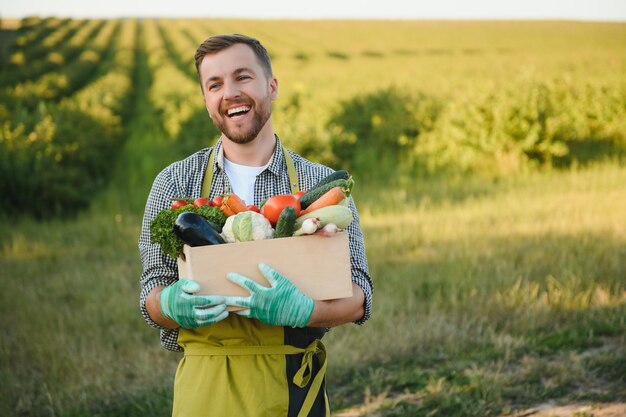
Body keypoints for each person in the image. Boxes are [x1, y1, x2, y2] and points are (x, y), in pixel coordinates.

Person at [138, 34, 373, 417]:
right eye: (215, 84)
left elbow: (360, 292)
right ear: (205, 99)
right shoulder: (175, 183)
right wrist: (170, 303)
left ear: (272, 86)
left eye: (242, 77)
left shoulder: (321, 183)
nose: (229, 92)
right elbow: (150, 293)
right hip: (207, 390)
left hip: (294, 386)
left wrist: (303, 312)